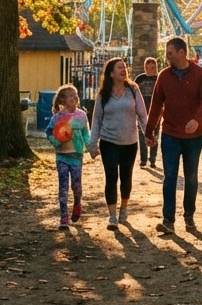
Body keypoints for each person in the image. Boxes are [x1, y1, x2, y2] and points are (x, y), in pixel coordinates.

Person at [145, 37, 202, 234]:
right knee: (170, 176)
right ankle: (168, 220)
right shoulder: (164, 76)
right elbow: (156, 105)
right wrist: (150, 131)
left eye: (170, 53)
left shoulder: (201, 74)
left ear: (182, 53)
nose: (167, 56)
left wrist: (197, 119)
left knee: (191, 176)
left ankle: (189, 216)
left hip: (194, 135)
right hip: (170, 133)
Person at [88, 58, 148, 230]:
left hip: (130, 142)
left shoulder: (133, 90)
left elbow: (142, 115)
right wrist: (93, 144)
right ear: (111, 73)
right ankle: (112, 216)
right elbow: (97, 119)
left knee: (126, 177)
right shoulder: (103, 94)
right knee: (111, 176)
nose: (124, 70)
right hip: (109, 141)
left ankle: (124, 207)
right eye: (119, 67)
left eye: (124, 67)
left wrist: (149, 134)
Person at [45, 85, 90, 229]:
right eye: (70, 95)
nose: (74, 98)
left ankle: (77, 203)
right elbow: (49, 132)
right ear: (62, 101)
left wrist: (92, 148)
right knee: (63, 187)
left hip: (76, 156)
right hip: (62, 156)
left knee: (76, 186)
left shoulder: (82, 115)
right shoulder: (57, 117)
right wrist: (55, 141)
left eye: (75, 95)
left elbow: (86, 135)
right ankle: (63, 218)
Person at [134, 56, 159, 168]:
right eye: (148, 68)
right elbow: (134, 94)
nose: (150, 70)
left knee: (155, 134)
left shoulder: (158, 79)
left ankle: (152, 158)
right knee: (142, 134)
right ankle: (143, 159)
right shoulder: (139, 79)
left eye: (152, 68)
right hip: (142, 109)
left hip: (155, 110)